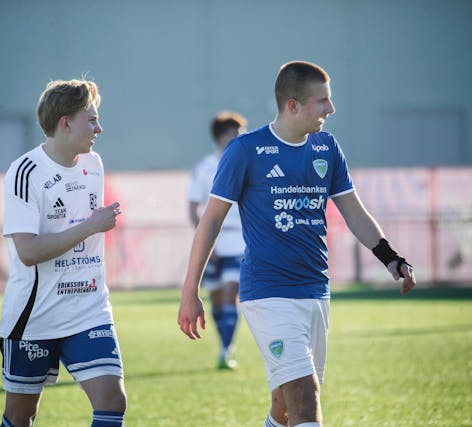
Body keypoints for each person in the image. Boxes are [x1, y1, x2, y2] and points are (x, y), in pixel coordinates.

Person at [178, 61, 416, 427]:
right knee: (306, 398)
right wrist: (190, 290)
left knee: (284, 406)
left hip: (316, 291)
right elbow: (210, 220)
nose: (330, 109)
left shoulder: (327, 147)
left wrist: (391, 258)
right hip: (268, 294)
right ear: (292, 105)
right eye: (322, 101)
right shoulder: (245, 150)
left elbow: (354, 212)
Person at [0, 79, 126, 427]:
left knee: (112, 401)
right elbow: (27, 251)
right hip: (35, 318)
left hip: (89, 310)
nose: (99, 128)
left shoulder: (93, 164)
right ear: (65, 123)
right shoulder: (25, 172)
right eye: (92, 120)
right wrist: (91, 226)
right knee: (21, 416)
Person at [187, 111, 248, 369]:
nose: (240, 137)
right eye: (236, 133)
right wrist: (205, 243)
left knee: (232, 292)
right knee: (217, 297)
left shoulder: (246, 163)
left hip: (239, 238)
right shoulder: (204, 168)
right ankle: (224, 344)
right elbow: (193, 208)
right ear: (222, 136)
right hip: (215, 239)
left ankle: (226, 349)